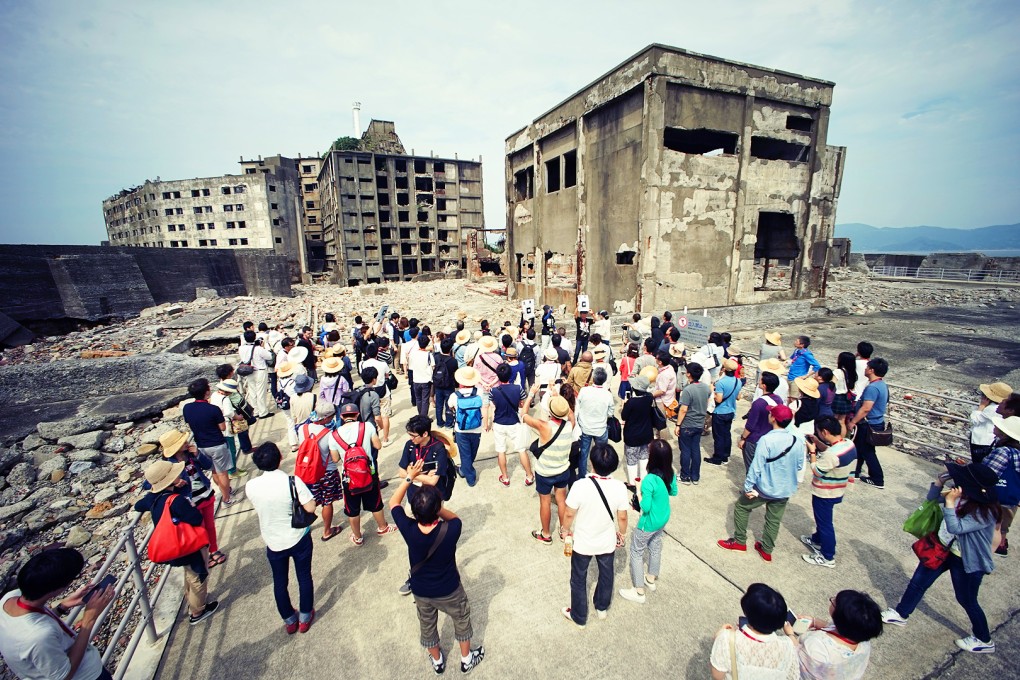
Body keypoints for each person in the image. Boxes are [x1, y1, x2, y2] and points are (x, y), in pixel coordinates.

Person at [881, 462, 1001, 654]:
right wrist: (939, 482)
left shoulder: (985, 512)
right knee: (918, 582)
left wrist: (951, 503)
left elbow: (956, 528)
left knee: (966, 599)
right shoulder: (962, 496)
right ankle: (901, 613)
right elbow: (932, 499)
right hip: (944, 548)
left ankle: (984, 639)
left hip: (966, 560)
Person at [389, 464, 484, 674]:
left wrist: (409, 478)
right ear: (437, 509)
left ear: (413, 511)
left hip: (422, 591)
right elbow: (455, 517)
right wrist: (437, 506)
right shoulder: (451, 529)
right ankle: (466, 659)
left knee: (427, 626)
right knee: (461, 619)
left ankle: (438, 660)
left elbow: (394, 502)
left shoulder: (409, 529)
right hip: (450, 588)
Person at [0, 548, 116, 680]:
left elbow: (36, 620)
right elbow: (65, 676)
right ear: (58, 589)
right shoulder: (38, 637)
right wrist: (89, 618)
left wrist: (64, 605)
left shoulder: (10, 599)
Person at [135, 460, 219, 625]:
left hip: (174, 547)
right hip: (189, 545)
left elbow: (138, 506)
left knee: (189, 573)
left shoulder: (152, 499)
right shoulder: (176, 500)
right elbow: (195, 518)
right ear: (171, 479)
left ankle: (191, 601)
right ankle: (197, 611)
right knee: (198, 574)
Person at [246, 442, 318, 634]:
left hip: (273, 541)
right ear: (280, 459)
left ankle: (289, 619)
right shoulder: (292, 482)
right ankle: (305, 616)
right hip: (297, 537)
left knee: (280, 581)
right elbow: (310, 507)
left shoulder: (251, 486)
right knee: (303, 576)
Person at [718, 404, 804, 562]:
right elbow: (799, 465)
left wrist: (748, 487)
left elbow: (756, 466)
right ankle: (767, 549)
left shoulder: (766, 440)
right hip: (784, 488)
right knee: (774, 519)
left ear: (773, 419)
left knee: (741, 508)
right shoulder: (797, 440)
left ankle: (739, 541)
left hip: (765, 486)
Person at [561, 443, 629, 627]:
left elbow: (568, 513)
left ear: (591, 462)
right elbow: (622, 516)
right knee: (607, 574)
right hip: (606, 540)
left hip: (583, 541)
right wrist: (621, 534)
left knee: (578, 578)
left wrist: (565, 530)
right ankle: (601, 607)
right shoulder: (620, 487)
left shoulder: (580, 485)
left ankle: (579, 616)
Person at [619, 440, 677, 604]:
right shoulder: (670, 472)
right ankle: (650, 578)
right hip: (663, 517)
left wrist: (638, 490)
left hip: (649, 522)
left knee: (636, 552)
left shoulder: (649, 480)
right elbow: (673, 491)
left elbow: (645, 506)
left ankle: (638, 591)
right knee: (656, 545)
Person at [331, 403, 398, 546]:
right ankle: (382, 527)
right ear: (357, 415)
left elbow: (335, 459)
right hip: (369, 472)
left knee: (352, 509)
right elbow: (378, 446)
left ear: (342, 416)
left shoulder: (334, 435)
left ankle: (357, 536)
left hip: (349, 478)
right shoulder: (367, 427)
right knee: (375, 503)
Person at [158, 429, 227, 569]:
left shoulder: (191, 453)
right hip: (190, 501)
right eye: (182, 442)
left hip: (205, 494)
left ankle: (214, 550)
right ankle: (204, 555)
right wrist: (173, 482)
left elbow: (208, 465)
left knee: (210, 526)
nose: (187, 442)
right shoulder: (167, 464)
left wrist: (198, 454)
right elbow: (149, 483)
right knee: (199, 529)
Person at [800, 416, 856, 568]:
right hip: (839, 488)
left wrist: (812, 452)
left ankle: (827, 556)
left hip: (825, 492)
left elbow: (817, 470)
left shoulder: (831, 455)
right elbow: (832, 454)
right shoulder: (848, 444)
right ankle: (817, 539)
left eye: (819, 433)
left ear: (824, 432)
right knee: (822, 519)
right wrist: (818, 443)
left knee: (825, 523)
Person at [709, 583, 798, 679]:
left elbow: (717, 675)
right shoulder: (788, 646)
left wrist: (719, 636)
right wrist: (790, 634)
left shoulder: (727, 639)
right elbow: (793, 676)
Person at [793, 590, 883, 680]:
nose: (834, 599)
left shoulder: (816, 645)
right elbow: (836, 630)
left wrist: (790, 635)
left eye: (834, 602)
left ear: (840, 617)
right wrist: (815, 622)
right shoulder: (863, 639)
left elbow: (796, 658)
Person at [524, 393, 574, 543]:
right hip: (563, 470)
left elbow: (524, 414)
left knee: (545, 502)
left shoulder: (544, 426)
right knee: (561, 500)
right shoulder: (570, 425)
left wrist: (531, 394)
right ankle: (564, 531)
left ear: (550, 412)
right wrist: (560, 400)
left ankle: (546, 534)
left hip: (545, 472)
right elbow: (571, 414)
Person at [182, 378, 235, 505]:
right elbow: (222, 427)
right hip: (217, 444)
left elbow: (190, 425)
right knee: (223, 473)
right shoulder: (213, 409)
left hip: (201, 445)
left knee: (214, 471)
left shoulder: (187, 408)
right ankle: (226, 498)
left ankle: (225, 491)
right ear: (206, 392)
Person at [490, 362, 534, 487]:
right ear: (510, 375)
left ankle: (505, 477)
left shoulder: (493, 391)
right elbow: (521, 404)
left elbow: (493, 405)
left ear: (498, 376)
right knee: (521, 449)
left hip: (499, 423)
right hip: (514, 422)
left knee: (501, 450)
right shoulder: (518, 388)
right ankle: (529, 476)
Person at [848, 358, 890, 488]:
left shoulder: (872, 388)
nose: (865, 369)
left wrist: (853, 422)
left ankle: (877, 478)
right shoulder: (882, 385)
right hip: (876, 422)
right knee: (860, 448)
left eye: (867, 368)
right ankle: (856, 471)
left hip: (868, 424)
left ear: (871, 370)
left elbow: (866, 408)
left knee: (867, 451)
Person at [983, 415, 1020, 556]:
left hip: (992, 499)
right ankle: (991, 553)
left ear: (1005, 433)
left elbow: (986, 474)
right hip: (1009, 500)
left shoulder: (1003, 452)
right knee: (998, 528)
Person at [739, 372, 785, 470]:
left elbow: (750, 425)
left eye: (760, 380)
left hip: (755, 439)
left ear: (764, 386)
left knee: (752, 468)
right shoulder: (779, 400)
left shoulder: (758, 403)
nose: (758, 381)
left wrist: (743, 438)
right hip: (770, 438)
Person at [448, 367, 484, 487]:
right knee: (472, 452)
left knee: (465, 453)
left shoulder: (455, 395)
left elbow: (450, 406)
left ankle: (470, 478)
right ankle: (465, 469)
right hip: (477, 428)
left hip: (461, 429)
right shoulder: (479, 392)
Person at [575, 367, 614, 478]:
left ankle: (582, 476)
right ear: (605, 380)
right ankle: (601, 474)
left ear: (593, 378)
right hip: (601, 429)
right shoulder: (608, 394)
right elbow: (611, 413)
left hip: (585, 428)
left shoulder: (584, 390)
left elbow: (578, 405)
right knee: (602, 454)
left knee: (584, 453)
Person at [675, 362, 710, 485]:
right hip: (699, 423)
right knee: (695, 449)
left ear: (689, 374)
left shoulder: (688, 390)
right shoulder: (706, 387)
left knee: (685, 450)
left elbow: (683, 409)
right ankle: (695, 476)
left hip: (687, 424)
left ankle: (685, 476)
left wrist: (678, 425)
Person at [620, 374, 655, 487]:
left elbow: (624, 416)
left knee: (632, 459)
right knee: (644, 456)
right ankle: (644, 480)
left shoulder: (631, 402)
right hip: (646, 433)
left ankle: (633, 482)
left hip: (632, 435)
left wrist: (625, 404)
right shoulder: (649, 398)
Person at [705, 359, 740, 466]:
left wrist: (712, 391)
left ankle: (717, 458)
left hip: (720, 412)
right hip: (731, 410)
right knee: (726, 434)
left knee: (718, 436)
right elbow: (738, 397)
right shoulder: (737, 381)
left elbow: (719, 399)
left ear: (724, 369)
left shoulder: (721, 383)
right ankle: (725, 456)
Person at [971, 382, 1013, 463]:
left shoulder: (991, 409)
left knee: (978, 462)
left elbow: (975, 420)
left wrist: (981, 406)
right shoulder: (1001, 408)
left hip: (981, 441)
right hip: (989, 440)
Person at [432, 336, 459, 429]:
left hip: (438, 384)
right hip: (449, 385)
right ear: (451, 348)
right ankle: (448, 423)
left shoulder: (436, 357)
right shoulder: (453, 361)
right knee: (449, 405)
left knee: (439, 404)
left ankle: (439, 422)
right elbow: (455, 372)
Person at [408, 333, 436, 419]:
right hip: (426, 379)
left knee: (418, 399)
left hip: (416, 379)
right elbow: (433, 366)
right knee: (425, 399)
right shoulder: (428, 355)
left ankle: (421, 415)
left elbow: (411, 367)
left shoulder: (413, 354)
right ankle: (423, 417)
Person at [832, 352, 858, 435]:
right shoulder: (853, 373)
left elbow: (832, 384)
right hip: (846, 399)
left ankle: (833, 438)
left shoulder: (838, 371)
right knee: (842, 421)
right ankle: (842, 439)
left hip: (837, 397)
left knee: (834, 420)